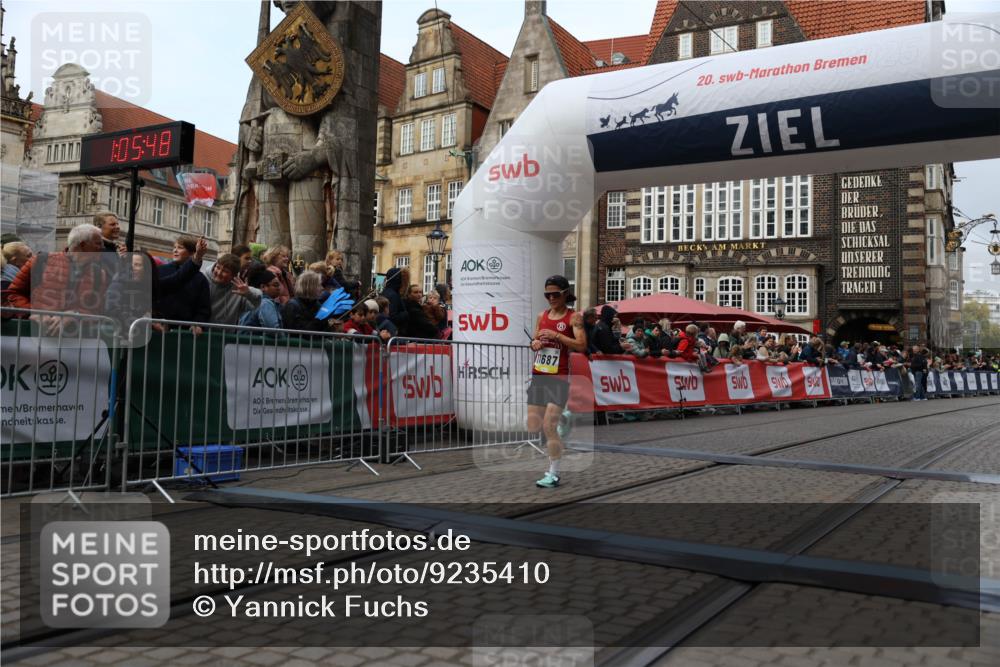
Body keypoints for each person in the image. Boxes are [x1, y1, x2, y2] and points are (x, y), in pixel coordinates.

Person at [527, 275, 585, 489]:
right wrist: (534, 344)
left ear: (565, 294)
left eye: (555, 294)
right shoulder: (541, 315)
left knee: (548, 427)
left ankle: (553, 473)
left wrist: (558, 336)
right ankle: (565, 418)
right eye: (547, 294)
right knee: (534, 426)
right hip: (539, 374)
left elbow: (581, 345)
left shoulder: (573, 317)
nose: (551, 298)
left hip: (558, 375)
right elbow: (535, 340)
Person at [7, 224, 109, 332]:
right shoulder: (40, 260)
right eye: (98, 243)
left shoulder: (99, 274)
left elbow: (97, 311)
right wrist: (33, 312)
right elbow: (13, 294)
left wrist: (75, 315)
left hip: (73, 342)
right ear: (83, 245)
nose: (103, 248)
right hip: (32, 337)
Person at [156, 235, 211, 328]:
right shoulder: (160, 270)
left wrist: (197, 324)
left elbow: (203, 309)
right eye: (174, 247)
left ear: (191, 253)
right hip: (160, 328)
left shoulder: (201, 279)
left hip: (185, 332)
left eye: (180, 248)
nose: (175, 250)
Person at [204, 253, 261, 326]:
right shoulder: (203, 279)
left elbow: (257, 303)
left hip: (224, 335)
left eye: (225, 271)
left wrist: (249, 294)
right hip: (200, 332)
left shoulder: (239, 289)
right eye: (218, 267)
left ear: (234, 275)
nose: (219, 273)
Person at [381, 266, 409, 334]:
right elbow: (392, 316)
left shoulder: (386, 291)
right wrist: (405, 314)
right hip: (394, 332)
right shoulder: (393, 295)